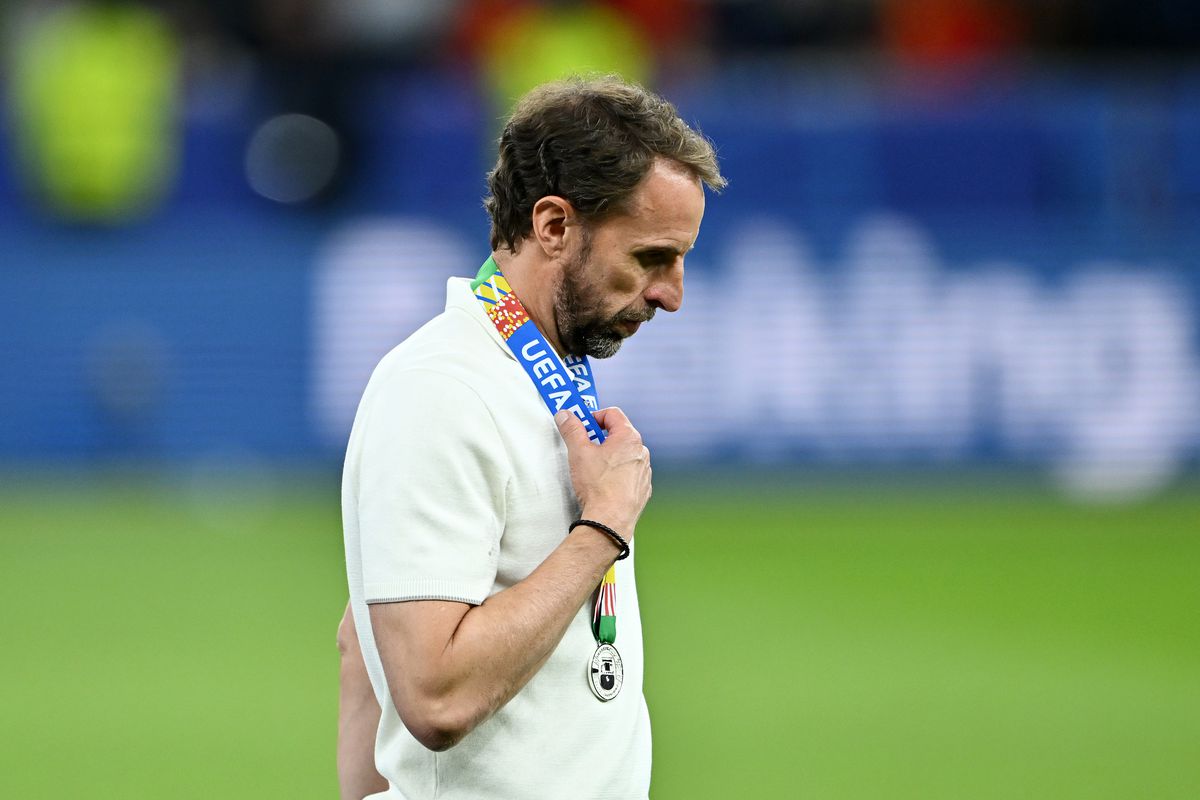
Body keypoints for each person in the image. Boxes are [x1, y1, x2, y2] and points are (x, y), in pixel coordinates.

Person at [338, 75, 725, 800]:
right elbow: (434, 697)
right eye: (650, 257)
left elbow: (360, 644)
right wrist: (602, 527)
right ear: (553, 226)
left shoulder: (534, 380)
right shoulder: (442, 390)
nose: (672, 293)